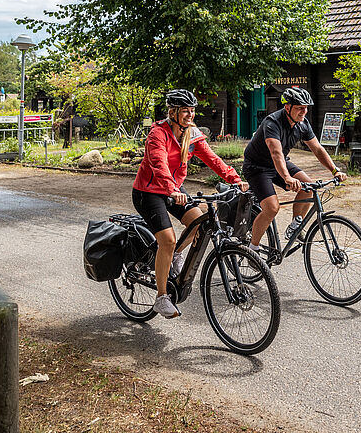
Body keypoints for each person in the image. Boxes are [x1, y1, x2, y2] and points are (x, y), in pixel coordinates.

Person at [132, 89, 248, 319]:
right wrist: (172, 189)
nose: (190, 114)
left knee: (199, 222)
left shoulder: (192, 134)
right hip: (149, 191)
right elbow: (158, 164)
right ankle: (162, 297)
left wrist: (235, 179)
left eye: (192, 110)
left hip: (175, 189)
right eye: (185, 110)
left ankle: (174, 255)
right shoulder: (158, 133)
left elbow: (212, 159)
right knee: (167, 239)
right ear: (172, 112)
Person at [243, 87, 347, 253]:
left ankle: (295, 225)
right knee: (272, 208)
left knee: (308, 186)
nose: (304, 112)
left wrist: (335, 170)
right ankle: (252, 248)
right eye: (299, 108)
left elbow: (318, 149)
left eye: (306, 108)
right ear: (287, 107)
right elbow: (276, 153)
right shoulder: (272, 123)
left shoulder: (303, 124)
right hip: (257, 167)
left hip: (280, 163)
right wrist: (287, 178)